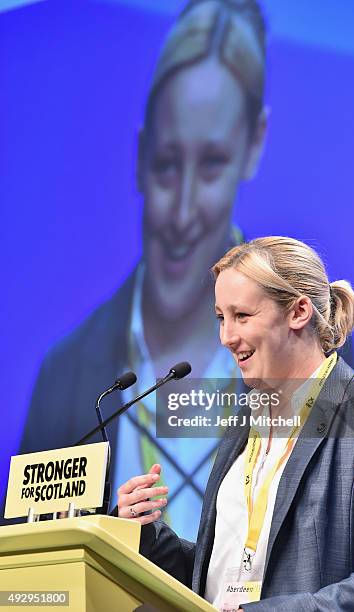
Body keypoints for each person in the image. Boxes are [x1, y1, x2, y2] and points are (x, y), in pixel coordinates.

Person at [11, 0, 270, 538]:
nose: (180, 213)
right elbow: (30, 562)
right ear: (139, 155)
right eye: (167, 165)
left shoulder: (304, 345)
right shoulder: (68, 372)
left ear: (254, 146)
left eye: (213, 165)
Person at [117, 236, 354, 611]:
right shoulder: (246, 423)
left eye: (242, 316)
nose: (226, 337)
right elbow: (224, 578)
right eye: (221, 318)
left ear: (299, 312)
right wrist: (145, 535)